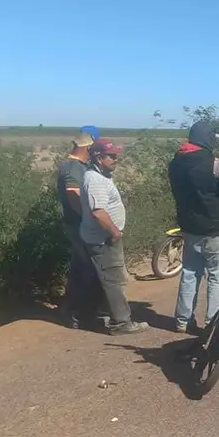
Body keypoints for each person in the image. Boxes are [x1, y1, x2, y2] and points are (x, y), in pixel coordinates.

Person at [168, 120, 219, 334]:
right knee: (218, 276)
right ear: (208, 139)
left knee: (190, 273)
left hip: (189, 228)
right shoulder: (216, 165)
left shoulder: (175, 163)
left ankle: (183, 320)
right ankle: (214, 322)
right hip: (216, 230)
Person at [80, 139, 149, 335]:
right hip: (104, 240)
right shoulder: (95, 180)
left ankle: (102, 314)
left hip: (101, 237)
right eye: (111, 156)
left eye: (116, 156)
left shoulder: (100, 176)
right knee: (114, 281)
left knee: (105, 278)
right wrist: (115, 232)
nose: (115, 159)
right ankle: (121, 323)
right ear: (98, 157)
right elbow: (99, 212)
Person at [56, 130, 103, 329]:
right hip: (78, 224)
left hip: (76, 223)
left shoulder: (76, 165)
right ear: (86, 148)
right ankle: (79, 313)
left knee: (79, 268)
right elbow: (73, 194)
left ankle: (73, 311)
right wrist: (87, 218)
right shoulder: (73, 167)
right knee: (88, 269)